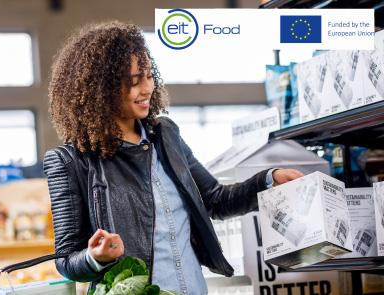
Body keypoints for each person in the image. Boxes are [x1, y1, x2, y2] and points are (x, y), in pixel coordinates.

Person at [43, 21, 304, 295]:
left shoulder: (165, 135)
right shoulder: (71, 161)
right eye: (133, 81)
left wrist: (268, 180)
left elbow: (216, 200)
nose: (147, 89)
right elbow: (65, 259)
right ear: (102, 89)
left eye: (148, 76)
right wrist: (95, 257)